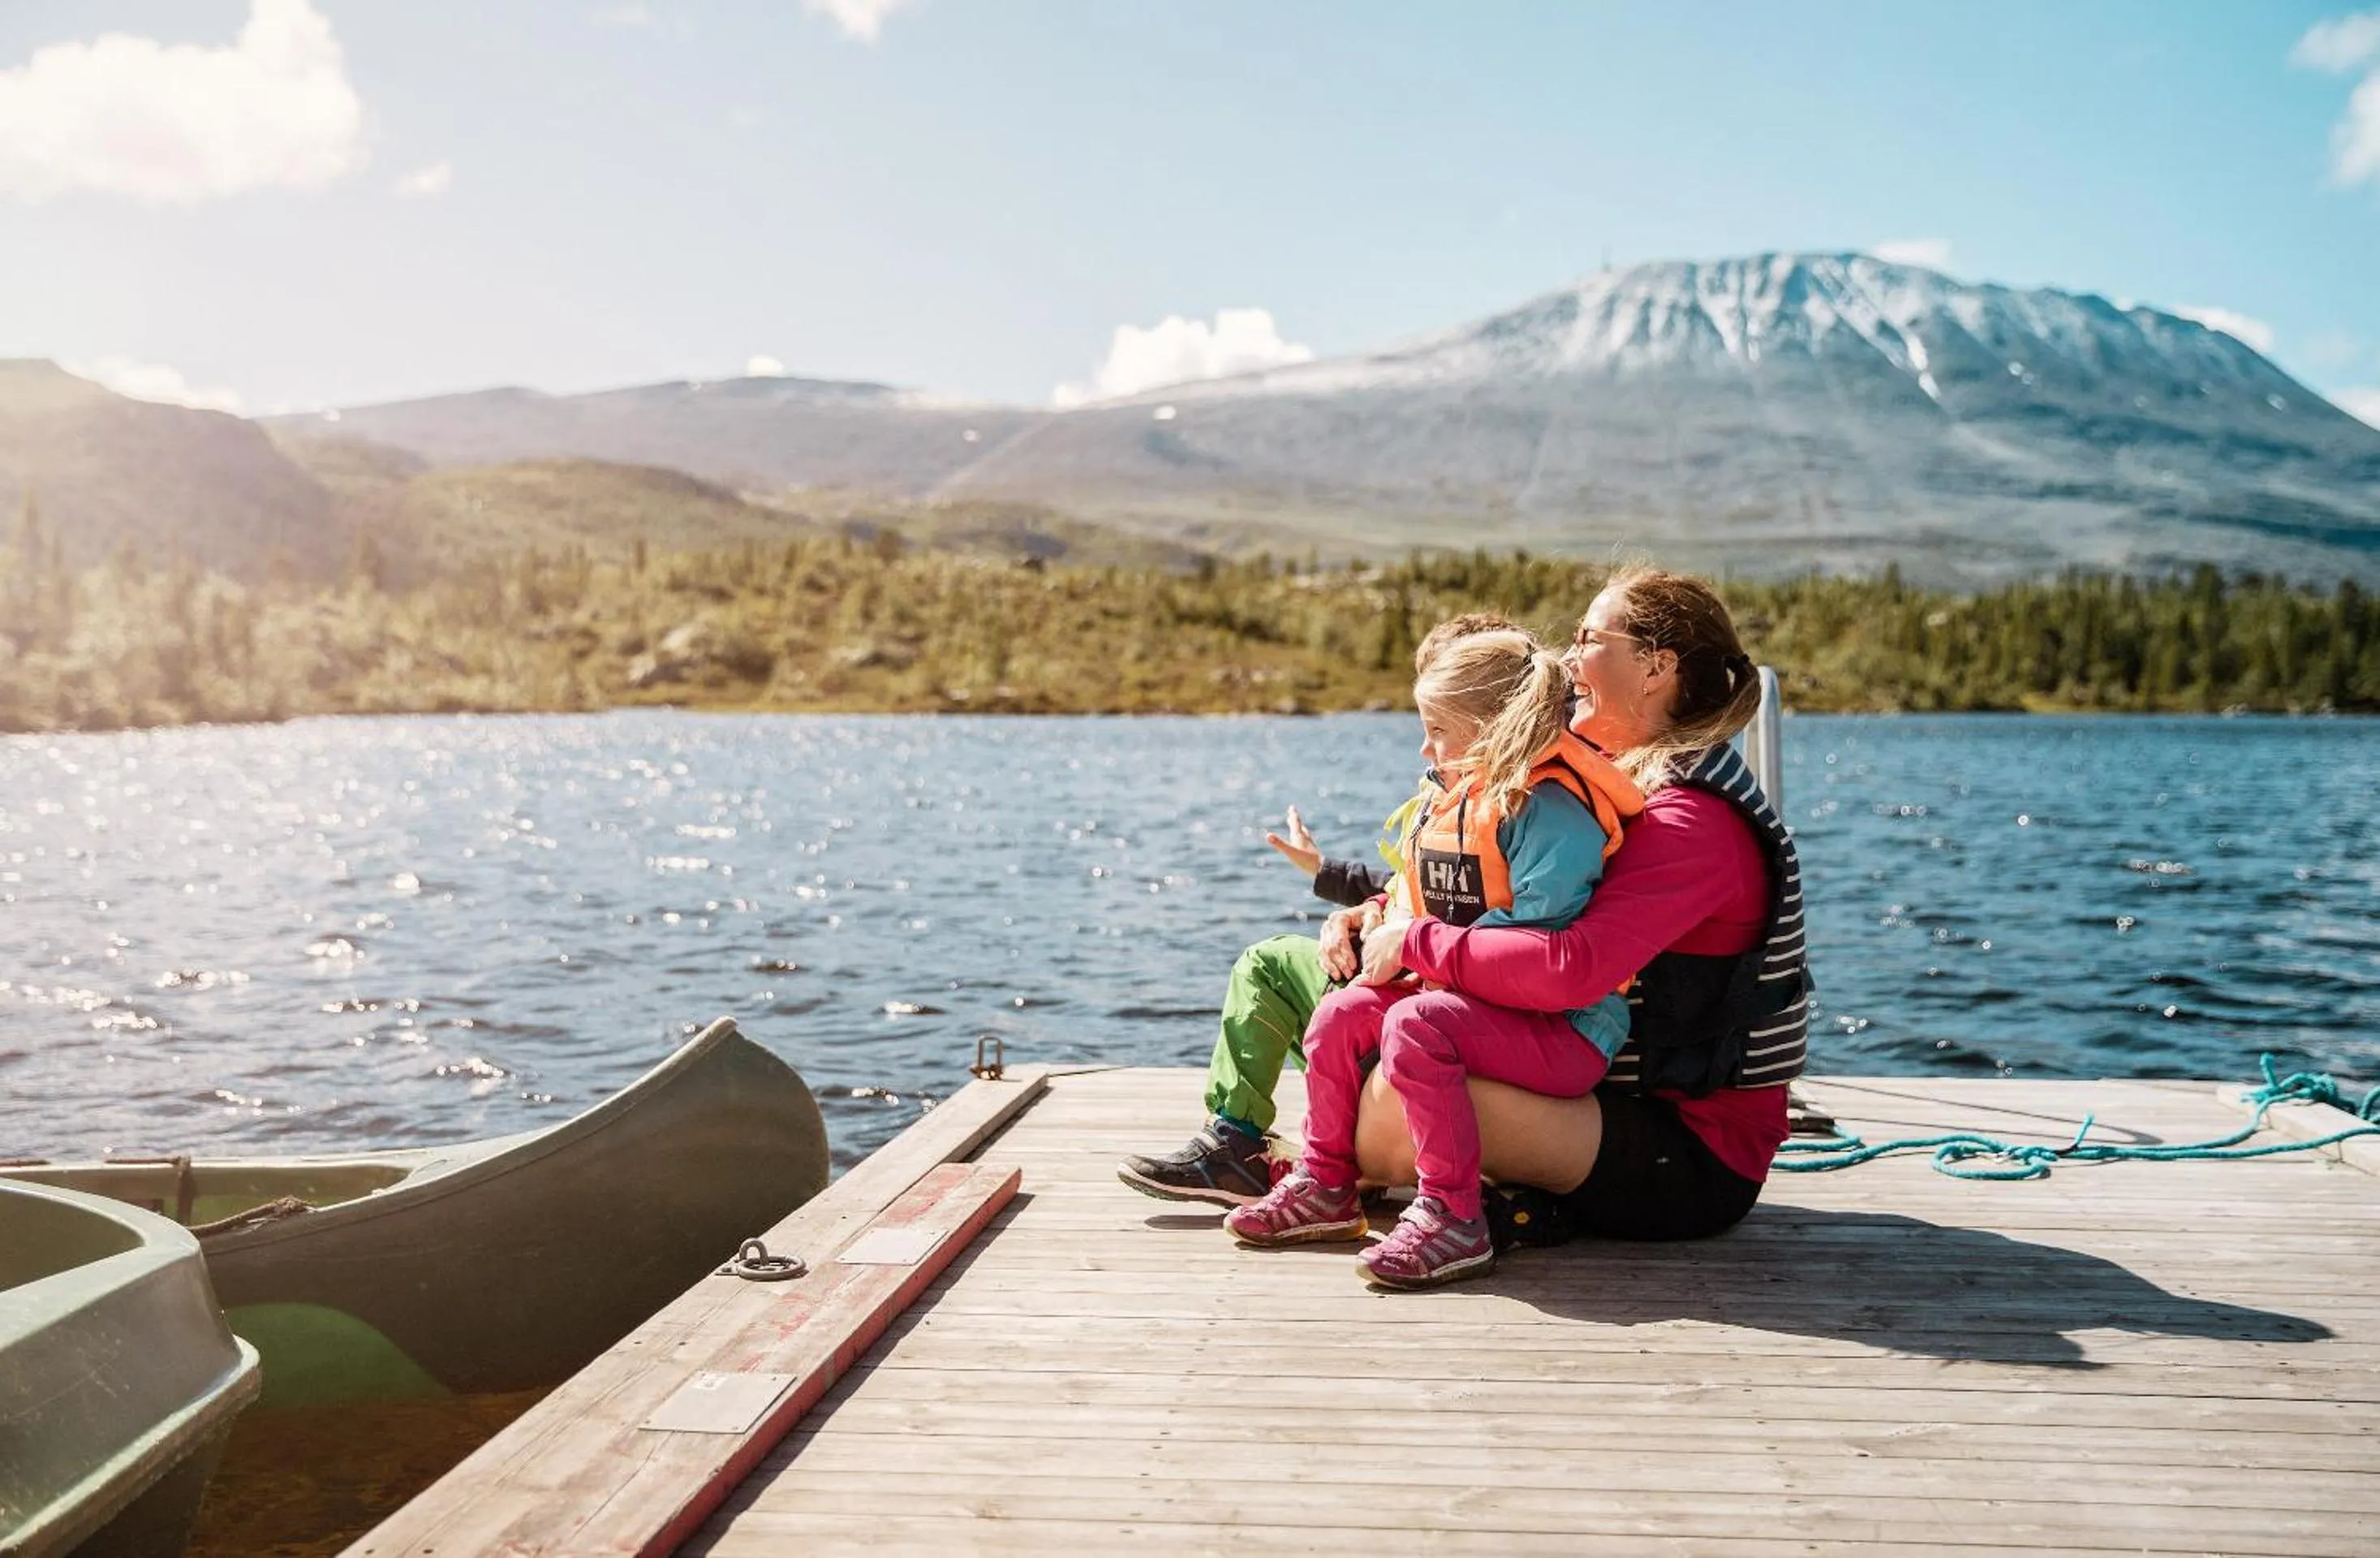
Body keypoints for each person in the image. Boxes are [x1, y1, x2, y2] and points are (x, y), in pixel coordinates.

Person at [1337, 566, 1809, 1250]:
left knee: (1386, 1107)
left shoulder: (1691, 822)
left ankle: (1334, 1171)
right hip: (1592, 1089)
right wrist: (1380, 909)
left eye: (1587, 638)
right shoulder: (1608, 783)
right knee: (1359, 1043)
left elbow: (1569, 969)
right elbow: (1501, 890)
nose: (1563, 659)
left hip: (1689, 1155)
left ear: (1655, 667)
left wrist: (1415, 942)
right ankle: (1333, 1166)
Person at [1222, 629, 1645, 1288]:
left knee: (1415, 1025)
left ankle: (1454, 1215)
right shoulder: (1455, 799)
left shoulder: (1553, 814)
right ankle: (1326, 1184)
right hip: (1473, 1003)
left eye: (1438, 731)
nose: (1426, 749)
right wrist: (1374, 924)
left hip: (1562, 1031)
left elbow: (1538, 944)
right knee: (1340, 1014)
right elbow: (1417, 900)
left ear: (1491, 730)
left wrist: (1420, 953)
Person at [1115, 613, 1521, 1207]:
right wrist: (1360, 909)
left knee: (1341, 1002)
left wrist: (1390, 929)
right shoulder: (1442, 791)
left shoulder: (1528, 802)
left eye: (1438, 715)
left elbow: (1494, 913)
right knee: (1269, 963)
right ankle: (1238, 1146)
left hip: (1447, 1008)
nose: (1425, 739)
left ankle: (1348, 1160)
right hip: (1396, 979)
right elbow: (1411, 886)